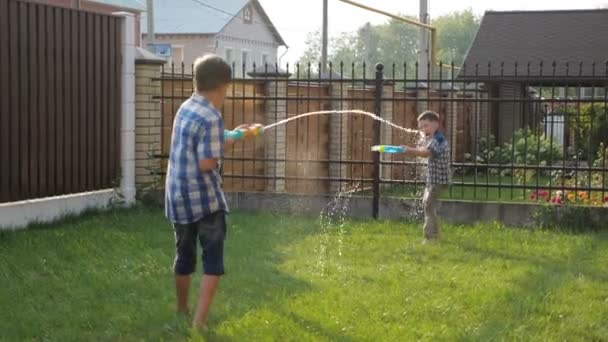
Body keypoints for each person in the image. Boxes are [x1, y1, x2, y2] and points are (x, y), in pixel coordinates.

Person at [165, 54, 256, 329]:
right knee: (213, 260)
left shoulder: (187, 107)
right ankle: (198, 324)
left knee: (184, 255)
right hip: (204, 200)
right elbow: (206, 161)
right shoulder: (213, 116)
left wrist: (234, 136)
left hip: (178, 196)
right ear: (221, 86)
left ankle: (182, 310)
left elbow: (202, 143)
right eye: (227, 89)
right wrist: (221, 145)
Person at [403, 110, 451, 242]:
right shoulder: (432, 138)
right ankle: (435, 235)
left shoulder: (438, 140)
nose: (423, 129)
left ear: (436, 124)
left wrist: (409, 150)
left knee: (429, 206)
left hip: (438, 181)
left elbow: (425, 153)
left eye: (426, 125)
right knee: (428, 206)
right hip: (434, 180)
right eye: (421, 127)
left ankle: (430, 238)